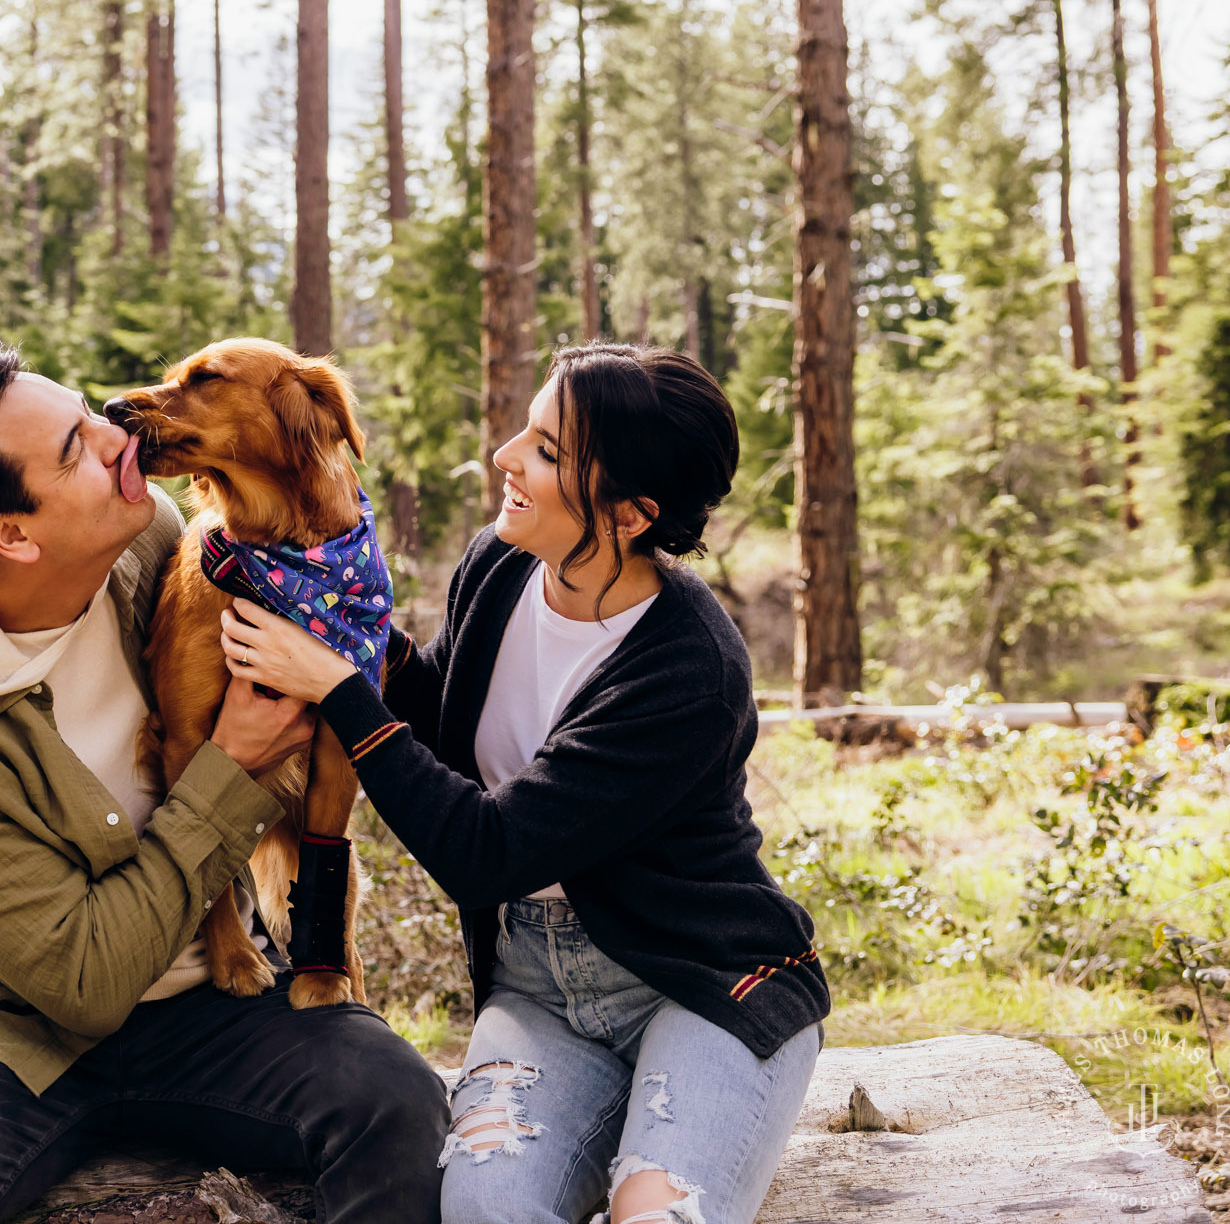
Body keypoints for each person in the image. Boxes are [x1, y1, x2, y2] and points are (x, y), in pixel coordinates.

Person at [0, 348, 449, 1224]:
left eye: (87, 411)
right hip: (13, 1032)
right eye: (72, 448)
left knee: (399, 1104)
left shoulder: (158, 538)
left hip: (215, 1000)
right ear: (11, 533)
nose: (113, 429)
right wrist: (228, 771)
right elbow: (83, 981)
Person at [220, 343, 830, 1224]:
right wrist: (338, 625)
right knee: (484, 1214)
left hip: (704, 982)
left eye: (545, 449)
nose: (506, 455)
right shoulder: (501, 566)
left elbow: (489, 851)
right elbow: (432, 711)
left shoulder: (688, 666)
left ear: (628, 514)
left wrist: (339, 688)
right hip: (537, 985)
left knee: (656, 1215)